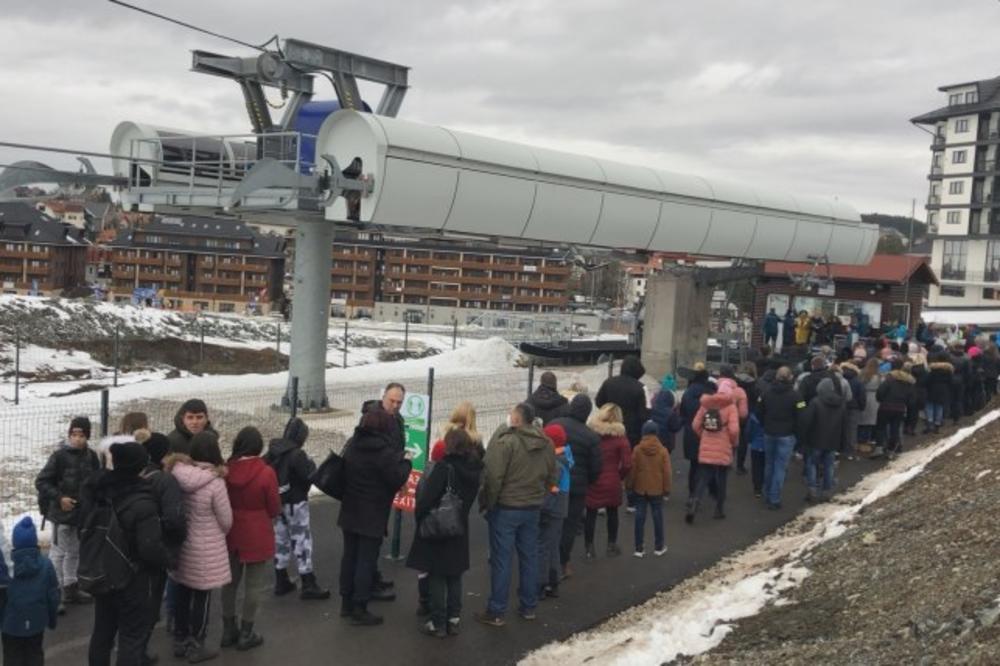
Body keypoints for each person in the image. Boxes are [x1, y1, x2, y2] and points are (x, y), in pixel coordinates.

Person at [85, 442, 173, 666]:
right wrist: (169, 560)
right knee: (131, 637)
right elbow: (149, 547)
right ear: (141, 466)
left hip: (104, 570)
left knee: (102, 632)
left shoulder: (98, 490)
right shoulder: (143, 501)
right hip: (133, 577)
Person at [476, 403, 556, 627]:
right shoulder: (546, 443)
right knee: (529, 557)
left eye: (511, 414)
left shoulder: (507, 442)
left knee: (502, 560)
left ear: (517, 420)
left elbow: (493, 477)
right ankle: (528, 606)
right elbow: (552, 475)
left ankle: (497, 610)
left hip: (507, 508)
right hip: (532, 507)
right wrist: (540, 495)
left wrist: (489, 503)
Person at [406, 428, 483, 638]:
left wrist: (421, 517)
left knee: (437, 574)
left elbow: (426, 500)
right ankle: (453, 619)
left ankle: (438, 622)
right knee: (455, 574)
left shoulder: (444, 468)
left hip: (440, 527)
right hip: (460, 526)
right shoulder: (474, 469)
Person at [338, 409, 411, 626]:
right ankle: (360, 607)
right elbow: (396, 478)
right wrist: (406, 462)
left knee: (349, 557)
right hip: (373, 512)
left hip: (350, 509)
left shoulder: (353, 445)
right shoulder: (384, 452)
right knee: (366, 560)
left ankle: (346, 603)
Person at [167, 431, 233, 662]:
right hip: (206, 548)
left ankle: (180, 639)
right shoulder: (215, 482)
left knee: (182, 593)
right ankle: (197, 644)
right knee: (202, 597)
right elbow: (226, 520)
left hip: (182, 543)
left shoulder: (176, 473)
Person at [221, 427, 280, 651]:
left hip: (232, 530)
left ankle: (228, 629)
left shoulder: (227, 470)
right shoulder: (266, 472)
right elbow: (274, 507)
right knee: (253, 586)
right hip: (257, 531)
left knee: (230, 583)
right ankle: (247, 632)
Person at [35, 416, 101, 613]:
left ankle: (71, 587)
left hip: (82, 515)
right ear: (69, 435)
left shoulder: (91, 457)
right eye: (74, 434)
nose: (77, 439)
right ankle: (54, 593)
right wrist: (60, 498)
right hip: (61, 514)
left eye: (82, 435)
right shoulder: (59, 457)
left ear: (87, 436)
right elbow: (42, 481)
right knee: (58, 552)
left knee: (75, 551)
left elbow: (96, 483)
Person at [264, 417, 330, 601]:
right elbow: (309, 474)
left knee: (280, 540)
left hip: (277, 504)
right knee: (302, 542)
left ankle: (281, 579)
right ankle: (308, 583)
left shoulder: (272, 451)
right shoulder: (297, 454)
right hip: (296, 503)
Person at [136, 430, 187, 661]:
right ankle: (138, 651)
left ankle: (126, 644)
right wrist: (177, 540)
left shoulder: (135, 474)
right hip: (156, 548)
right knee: (151, 599)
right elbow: (174, 519)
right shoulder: (165, 481)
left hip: (129, 547)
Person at [549, 394, 602, 578]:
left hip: (552, 483)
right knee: (569, 526)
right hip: (576, 488)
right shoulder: (591, 437)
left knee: (550, 523)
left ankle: (548, 561)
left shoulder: (554, 424)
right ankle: (563, 562)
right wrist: (588, 481)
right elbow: (596, 468)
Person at [1, 517, 59, 666]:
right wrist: (52, 619)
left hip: (10, 625)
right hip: (36, 623)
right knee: (35, 654)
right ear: (35, 541)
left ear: (14, 542)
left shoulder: (6, 567)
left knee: (11, 656)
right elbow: (53, 596)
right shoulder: (46, 565)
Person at [583, 404, 632, 558]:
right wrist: (619, 476)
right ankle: (611, 545)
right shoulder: (621, 439)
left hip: (593, 479)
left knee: (590, 514)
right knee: (613, 513)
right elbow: (627, 464)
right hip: (612, 480)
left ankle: (589, 548)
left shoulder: (591, 435)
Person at [687, 383, 739, 522]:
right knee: (722, 478)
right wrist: (733, 442)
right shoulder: (731, 407)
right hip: (723, 446)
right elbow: (734, 430)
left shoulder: (706, 404)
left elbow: (695, 425)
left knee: (703, 477)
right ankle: (719, 510)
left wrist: (703, 436)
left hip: (707, 445)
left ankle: (695, 501)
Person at [757, 367, 803, 510]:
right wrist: (796, 432)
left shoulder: (766, 393)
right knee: (780, 467)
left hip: (769, 432)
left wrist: (765, 425)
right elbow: (802, 415)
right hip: (787, 434)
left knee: (769, 464)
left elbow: (759, 411)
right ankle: (774, 498)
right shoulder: (796, 396)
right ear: (790, 377)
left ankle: (767, 493)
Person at [536, 424, 573, 600]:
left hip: (551, 509)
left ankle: (541, 584)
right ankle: (553, 582)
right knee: (553, 546)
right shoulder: (565, 458)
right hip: (559, 509)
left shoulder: (555, 463)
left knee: (543, 547)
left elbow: (552, 489)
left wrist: (541, 508)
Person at [798, 378, 850, 502]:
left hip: (815, 440)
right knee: (829, 466)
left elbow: (807, 422)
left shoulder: (815, 402)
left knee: (812, 464)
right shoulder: (841, 404)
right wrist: (844, 443)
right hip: (833, 440)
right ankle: (827, 491)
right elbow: (845, 425)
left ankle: (812, 490)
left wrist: (802, 438)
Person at [625, 421, 671, 557]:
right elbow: (667, 472)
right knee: (657, 516)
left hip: (640, 488)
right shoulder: (663, 451)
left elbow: (632, 470)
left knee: (640, 516)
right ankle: (659, 547)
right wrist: (667, 489)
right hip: (657, 489)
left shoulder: (637, 449)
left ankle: (639, 548)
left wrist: (629, 485)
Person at [595, 355, 648, 450]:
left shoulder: (608, 382)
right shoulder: (642, 388)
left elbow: (598, 402)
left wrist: (610, 412)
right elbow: (644, 415)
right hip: (631, 434)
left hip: (610, 429)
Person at [680, 363, 713, 497]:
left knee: (694, 465)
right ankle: (706, 490)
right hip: (707, 432)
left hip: (691, 432)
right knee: (707, 464)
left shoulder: (688, 392)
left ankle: (692, 494)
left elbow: (682, 413)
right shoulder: (710, 392)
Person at [873, 358, 916, 459]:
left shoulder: (889, 379)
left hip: (885, 406)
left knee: (880, 427)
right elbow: (912, 399)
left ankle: (879, 448)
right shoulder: (909, 383)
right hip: (899, 408)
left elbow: (880, 392)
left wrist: (881, 400)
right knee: (895, 429)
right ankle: (891, 450)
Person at [840, 362, 867, 460]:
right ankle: (850, 452)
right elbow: (862, 396)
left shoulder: (840, 379)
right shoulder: (858, 381)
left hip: (840, 407)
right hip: (854, 408)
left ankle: (840, 450)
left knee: (841, 429)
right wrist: (861, 407)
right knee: (852, 431)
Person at [649, 374, 682, 453]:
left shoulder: (652, 407)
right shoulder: (671, 412)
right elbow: (675, 427)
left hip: (654, 439)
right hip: (667, 441)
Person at [924, 351, 954, 434]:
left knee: (929, 406)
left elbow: (927, 380)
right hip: (943, 391)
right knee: (939, 407)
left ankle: (930, 423)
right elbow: (951, 382)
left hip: (932, 389)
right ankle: (937, 424)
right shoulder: (948, 370)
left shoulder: (933, 369)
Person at [858, 358, 882, 450]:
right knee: (870, 421)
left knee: (862, 420)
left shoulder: (862, 374)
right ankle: (866, 440)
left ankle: (859, 440)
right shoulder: (878, 376)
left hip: (864, 396)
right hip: (874, 398)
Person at [948, 341, 971, 426]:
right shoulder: (966, 358)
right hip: (961, 381)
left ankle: (951, 414)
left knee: (951, 398)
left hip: (951, 380)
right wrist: (966, 381)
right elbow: (968, 372)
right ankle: (957, 417)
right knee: (959, 399)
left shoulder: (950, 357)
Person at [746, 410, 767, 498]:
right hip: (768, 445)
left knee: (756, 468)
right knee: (766, 467)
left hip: (755, 445)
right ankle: (766, 487)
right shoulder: (772, 416)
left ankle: (757, 489)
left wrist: (750, 440)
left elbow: (748, 431)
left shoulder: (753, 417)